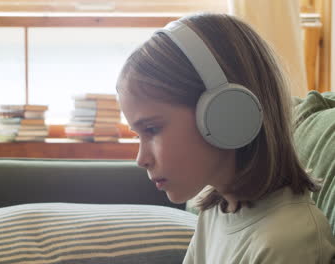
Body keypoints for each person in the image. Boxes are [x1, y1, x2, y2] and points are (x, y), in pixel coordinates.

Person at [116, 13, 335, 263]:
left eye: (152, 130)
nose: (141, 159)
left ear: (224, 113)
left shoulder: (289, 241)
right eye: (138, 135)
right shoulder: (216, 212)